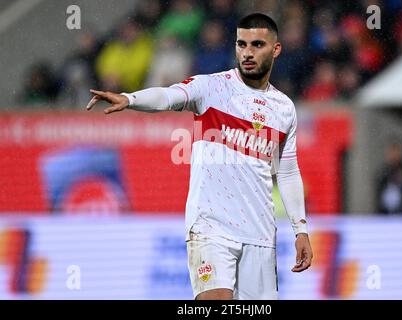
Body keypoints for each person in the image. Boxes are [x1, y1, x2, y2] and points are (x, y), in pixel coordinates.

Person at [86, 13, 313, 300]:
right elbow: (168, 96)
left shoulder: (283, 108)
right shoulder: (211, 88)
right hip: (211, 227)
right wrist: (130, 99)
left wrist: (300, 229)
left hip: (260, 232)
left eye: (257, 45)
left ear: (276, 49)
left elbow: (289, 172)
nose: (248, 53)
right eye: (241, 44)